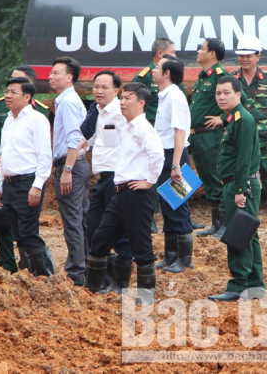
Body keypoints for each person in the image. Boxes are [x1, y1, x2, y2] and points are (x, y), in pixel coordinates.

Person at [85, 83, 164, 304]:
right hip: (119, 193)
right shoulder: (127, 127)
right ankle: (92, 290)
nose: (122, 102)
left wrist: (149, 182)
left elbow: (157, 154)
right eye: (122, 98)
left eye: (128, 98)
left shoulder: (142, 127)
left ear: (141, 103)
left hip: (136, 194)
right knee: (100, 240)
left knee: (140, 244)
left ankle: (146, 295)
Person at [0, 65, 49, 273]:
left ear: (27, 97)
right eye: (6, 92)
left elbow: (44, 156)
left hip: (27, 183)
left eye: (14, 92)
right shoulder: (8, 122)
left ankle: (45, 278)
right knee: (17, 234)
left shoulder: (37, 120)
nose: (8, 96)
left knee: (29, 232)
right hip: (10, 185)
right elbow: (3, 157)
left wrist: (37, 186)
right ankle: (29, 275)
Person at [209, 76, 264, 302]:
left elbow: (243, 159)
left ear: (238, 95)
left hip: (241, 184)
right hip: (234, 183)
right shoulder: (232, 118)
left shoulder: (244, 120)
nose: (221, 97)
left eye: (226, 93)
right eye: (218, 93)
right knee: (248, 234)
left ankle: (238, 285)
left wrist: (240, 190)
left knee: (238, 235)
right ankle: (255, 285)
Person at [77, 70, 133, 293]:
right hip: (100, 180)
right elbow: (89, 139)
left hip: (117, 179)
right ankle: (105, 280)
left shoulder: (121, 114)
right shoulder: (95, 112)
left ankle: (121, 284)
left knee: (120, 232)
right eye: (95, 86)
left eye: (104, 87)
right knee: (93, 229)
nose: (98, 91)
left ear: (116, 91)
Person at [234, 35, 267, 227]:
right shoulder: (232, 80)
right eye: (241, 56)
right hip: (241, 136)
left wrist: (264, 124)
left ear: (258, 56)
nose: (244, 59)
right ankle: (241, 216)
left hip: (264, 135)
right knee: (240, 173)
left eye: (248, 55)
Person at [50, 56, 91, 286]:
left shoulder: (66, 101)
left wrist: (67, 169)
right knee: (81, 217)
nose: (51, 76)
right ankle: (84, 265)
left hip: (71, 165)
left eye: (56, 72)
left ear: (69, 77)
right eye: (51, 72)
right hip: (77, 164)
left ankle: (77, 272)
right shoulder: (67, 99)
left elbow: (75, 136)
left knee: (73, 219)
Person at [152, 57, 194, 273]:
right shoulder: (165, 96)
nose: (153, 70)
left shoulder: (175, 97)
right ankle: (171, 255)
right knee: (167, 206)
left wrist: (176, 164)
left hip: (174, 156)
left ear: (167, 73)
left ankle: (184, 258)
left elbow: (180, 132)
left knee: (178, 204)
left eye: (157, 68)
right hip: (166, 155)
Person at [191, 38, 230, 239]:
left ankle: (224, 225)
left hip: (211, 137)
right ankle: (216, 224)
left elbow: (240, 101)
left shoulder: (221, 76)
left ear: (212, 54)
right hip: (197, 137)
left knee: (217, 178)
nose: (198, 51)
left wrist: (222, 118)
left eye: (202, 48)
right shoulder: (202, 77)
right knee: (207, 179)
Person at [132, 38, 175, 125]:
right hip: (150, 125)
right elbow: (132, 102)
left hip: (170, 125)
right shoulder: (144, 76)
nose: (175, 56)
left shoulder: (173, 75)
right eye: (172, 52)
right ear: (160, 53)